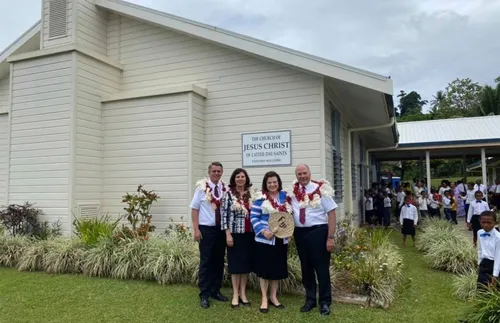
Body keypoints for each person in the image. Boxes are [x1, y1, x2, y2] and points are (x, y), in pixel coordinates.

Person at [290, 164, 336, 316]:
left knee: (321, 269)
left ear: (309, 173)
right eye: (299, 174)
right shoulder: (293, 191)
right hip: (300, 233)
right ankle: (310, 300)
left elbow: (331, 213)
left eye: (304, 173)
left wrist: (330, 237)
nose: (302, 176)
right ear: (296, 176)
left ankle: (324, 302)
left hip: (318, 232)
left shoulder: (321, 190)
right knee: (306, 268)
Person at [250, 171, 291, 314]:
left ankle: (273, 297)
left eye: (274, 182)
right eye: (269, 183)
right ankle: (264, 299)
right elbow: (253, 217)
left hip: (280, 240)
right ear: (265, 184)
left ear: (278, 182)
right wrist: (263, 231)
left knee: (276, 269)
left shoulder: (285, 197)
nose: (272, 184)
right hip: (264, 240)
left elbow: (289, 216)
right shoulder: (260, 198)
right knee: (264, 271)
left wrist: (289, 232)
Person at [190, 162, 229, 308]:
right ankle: (204, 294)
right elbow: (194, 209)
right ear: (209, 172)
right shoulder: (201, 188)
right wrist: (196, 229)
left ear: (222, 172)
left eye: (219, 171)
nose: (217, 173)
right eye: (214, 171)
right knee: (206, 262)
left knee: (219, 261)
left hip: (221, 229)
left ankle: (215, 291)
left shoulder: (224, 188)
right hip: (206, 229)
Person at [221, 168, 257, 308]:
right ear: (234, 179)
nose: (240, 179)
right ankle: (235, 294)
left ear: (246, 179)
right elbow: (224, 216)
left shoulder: (251, 194)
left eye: (243, 176)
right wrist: (228, 234)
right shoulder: (228, 195)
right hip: (235, 235)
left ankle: (243, 293)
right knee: (236, 266)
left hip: (250, 234)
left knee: (246, 266)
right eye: (238, 177)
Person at [476, 210, 500, 289]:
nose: (486, 225)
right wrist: (479, 263)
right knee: (481, 289)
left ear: (495, 223)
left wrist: (495, 276)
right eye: (483, 222)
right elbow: (479, 249)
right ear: (480, 221)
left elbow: (498, 257)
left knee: (493, 289)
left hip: (495, 265)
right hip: (484, 264)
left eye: (489, 222)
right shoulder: (479, 232)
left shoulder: (498, 237)